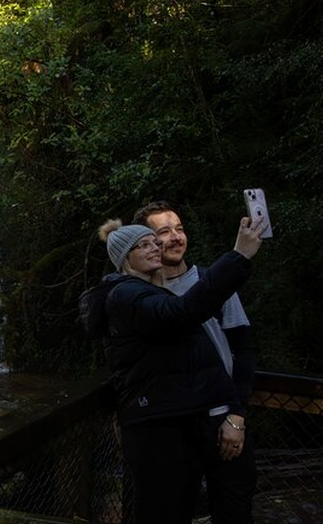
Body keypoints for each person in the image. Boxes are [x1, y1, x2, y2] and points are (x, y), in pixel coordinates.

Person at [79, 215, 265, 524]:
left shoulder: (146, 291)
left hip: (176, 421)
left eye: (154, 242)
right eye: (144, 244)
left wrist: (234, 411)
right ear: (126, 257)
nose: (156, 247)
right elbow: (180, 313)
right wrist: (238, 256)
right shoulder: (126, 295)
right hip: (155, 426)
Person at [133, 201, 257, 523]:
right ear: (145, 242)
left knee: (234, 511)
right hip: (174, 427)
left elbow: (242, 351)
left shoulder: (213, 281)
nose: (175, 237)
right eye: (163, 232)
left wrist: (237, 415)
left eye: (179, 228)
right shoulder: (142, 295)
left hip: (223, 421)